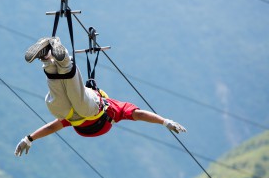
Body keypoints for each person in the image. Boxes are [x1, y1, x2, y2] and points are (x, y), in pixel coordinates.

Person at [14, 37, 186, 156]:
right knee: (74, 94)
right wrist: (164, 121)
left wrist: (29, 138)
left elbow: (51, 127)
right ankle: (63, 56)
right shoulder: (113, 107)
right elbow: (139, 114)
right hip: (91, 111)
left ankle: (46, 57)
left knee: (56, 98)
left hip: (70, 115)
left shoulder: (70, 120)